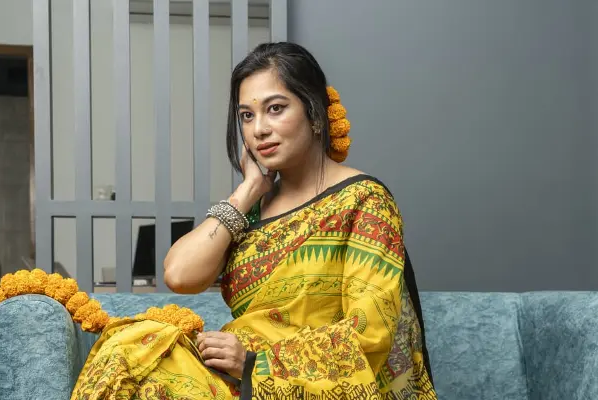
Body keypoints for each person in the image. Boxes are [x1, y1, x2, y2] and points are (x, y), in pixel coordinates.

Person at [71, 42, 437, 400]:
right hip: (234, 375)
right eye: (247, 115)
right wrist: (247, 191)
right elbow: (179, 275)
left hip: (296, 385)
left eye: (275, 109)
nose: (259, 129)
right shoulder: (251, 210)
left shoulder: (363, 200)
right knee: (128, 353)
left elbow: (370, 333)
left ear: (315, 113)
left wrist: (253, 362)